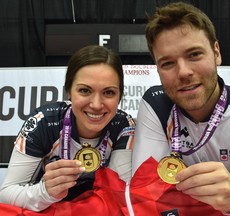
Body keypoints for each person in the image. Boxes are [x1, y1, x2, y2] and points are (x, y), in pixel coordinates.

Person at [132, 2, 230, 215]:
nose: (184, 72)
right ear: (157, 69)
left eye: (194, 54)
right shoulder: (156, 104)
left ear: (216, 53)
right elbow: (144, 194)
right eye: (167, 63)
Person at [0, 45, 136, 212]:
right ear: (68, 91)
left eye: (108, 93)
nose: (96, 105)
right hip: (49, 209)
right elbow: (6, 193)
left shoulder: (123, 126)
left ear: (120, 96)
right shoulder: (43, 123)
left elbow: (119, 193)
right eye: (85, 91)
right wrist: (46, 192)